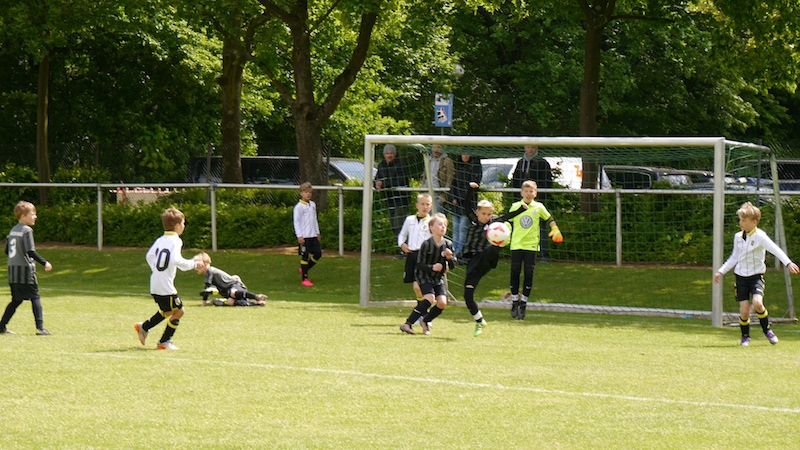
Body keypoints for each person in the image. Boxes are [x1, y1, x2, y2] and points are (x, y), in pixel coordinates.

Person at [713, 201, 799, 346]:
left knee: (758, 303)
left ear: (754, 222)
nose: (741, 223)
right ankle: (745, 337)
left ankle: (767, 330)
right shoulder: (738, 237)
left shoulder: (761, 236)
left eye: (744, 220)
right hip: (740, 278)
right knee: (744, 311)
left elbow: (775, 249)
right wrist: (721, 271)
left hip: (756, 277)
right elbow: (734, 257)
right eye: (740, 220)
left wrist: (788, 263)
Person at [459, 182, 528, 336]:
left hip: (486, 258)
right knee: (468, 295)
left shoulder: (494, 224)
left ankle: (500, 244)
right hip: (473, 263)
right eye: (484, 214)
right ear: (477, 212)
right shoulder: (472, 219)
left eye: (489, 214)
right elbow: (466, 204)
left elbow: (507, 216)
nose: (487, 217)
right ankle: (479, 321)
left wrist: (520, 210)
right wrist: (471, 190)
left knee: (493, 247)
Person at [135, 207, 201, 350]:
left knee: (168, 311)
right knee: (180, 311)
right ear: (177, 226)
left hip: (155, 283)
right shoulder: (176, 241)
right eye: (183, 223)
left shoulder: (161, 239)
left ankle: (144, 327)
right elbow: (176, 260)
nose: (184, 226)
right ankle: (164, 342)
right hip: (165, 286)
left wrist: (157, 270)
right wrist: (193, 264)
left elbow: (149, 256)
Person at [508, 180, 562, 320]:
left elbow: (549, 218)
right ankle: (514, 301)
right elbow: (508, 221)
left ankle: (523, 303)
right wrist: (503, 234)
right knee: (515, 272)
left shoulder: (539, 207)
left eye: (531, 191)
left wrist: (555, 228)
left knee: (528, 273)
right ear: (521, 193)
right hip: (516, 244)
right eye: (526, 191)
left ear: (535, 193)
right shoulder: (515, 206)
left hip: (531, 246)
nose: (528, 193)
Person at [0, 201, 53, 335]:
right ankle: (40, 328)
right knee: (35, 297)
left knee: (16, 300)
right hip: (25, 271)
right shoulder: (27, 230)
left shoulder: (13, 230)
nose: (35, 217)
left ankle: (1, 326)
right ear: (23, 216)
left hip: (13, 271)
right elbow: (30, 251)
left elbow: (7, 250)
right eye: (32, 214)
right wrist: (45, 262)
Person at [399, 213, 455, 335]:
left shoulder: (448, 245)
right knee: (430, 298)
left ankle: (425, 321)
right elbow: (419, 265)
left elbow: (452, 266)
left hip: (437, 278)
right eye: (440, 224)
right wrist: (432, 267)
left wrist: (449, 258)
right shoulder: (426, 244)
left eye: (444, 225)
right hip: (424, 276)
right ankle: (407, 324)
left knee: (442, 303)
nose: (443, 227)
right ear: (431, 228)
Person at [512, 146, 553, 260]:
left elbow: (547, 182)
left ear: (537, 148)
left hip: (536, 203)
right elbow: (515, 180)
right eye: (528, 147)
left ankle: (544, 255)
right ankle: (521, 252)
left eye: (533, 147)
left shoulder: (543, 163)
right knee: (521, 227)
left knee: (541, 227)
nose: (530, 150)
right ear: (525, 148)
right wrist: (518, 198)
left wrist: (538, 198)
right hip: (522, 203)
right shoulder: (520, 163)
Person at [194, 252, 267, 306]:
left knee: (233, 293)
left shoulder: (210, 271)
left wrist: (204, 302)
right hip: (230, 292)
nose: (195, 267)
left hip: (236, 286)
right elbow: (207, 290)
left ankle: (257, 296)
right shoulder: (209, 273)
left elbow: (207, 287)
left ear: (205, 264)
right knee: (230, 302)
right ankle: (257, 304)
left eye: (197, 264)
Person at [398, 193, 433, 301]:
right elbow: (402, 234)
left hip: (425, 257)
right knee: (417, 287)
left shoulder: (432, 222)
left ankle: (424, 306)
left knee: (418, 286)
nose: (425, 207)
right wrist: (402, 244)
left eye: (427, 204)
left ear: (431, 206)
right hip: (412, 255)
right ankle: (422, 306)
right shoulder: (409, 220)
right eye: (422, 204)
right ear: (417, 205)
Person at [450, 154, 482, 256]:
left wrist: (461, 198)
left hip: (468, 204)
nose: (465, 156)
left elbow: (474, 186)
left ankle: (460, 252)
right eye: (463, 154)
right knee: (455, 228)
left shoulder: (475, 167)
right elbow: (453, 185)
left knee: (463, 228)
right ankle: (454, 251)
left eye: (467, 154)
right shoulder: (458, 167)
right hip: (456, 205)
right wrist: (453, 198)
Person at [374, 144, 410, 238]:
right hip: (389, 200)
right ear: (384, 155)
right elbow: (377, 179)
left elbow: (400, 181)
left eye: (391, 153)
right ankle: (400, 244)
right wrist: (377, 184)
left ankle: (403, 245)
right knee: (393, 226)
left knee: (398, 225)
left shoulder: (401, 164)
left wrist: (383, 184)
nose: (389, 155)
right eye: (387, 153)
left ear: (395, 154)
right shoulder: (381, 165)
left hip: (401, 200)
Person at [294, 182, 322, 287]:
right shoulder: (299, 207)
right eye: (306, 192)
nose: (308, 194)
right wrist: (299, 236)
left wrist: (317, 232)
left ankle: (305, 268)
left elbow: (314, 219)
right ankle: (305, 279)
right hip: (304, 236)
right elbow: (296, 222)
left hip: (313, 235)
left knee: (318, 254)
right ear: (301, 193)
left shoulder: (312, 205)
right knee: (305, 256)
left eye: (310, 192)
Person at [420, 144, 455, 214]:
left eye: (439, 147)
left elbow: (450, 179)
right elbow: (424, 176)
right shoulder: (428, 159)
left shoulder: (447, 161)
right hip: (426, 194)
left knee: (436, 218)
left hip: (438, 196)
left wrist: (444, 196)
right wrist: (421, 189)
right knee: (425, 218)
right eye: (434, 147)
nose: (436, 150)